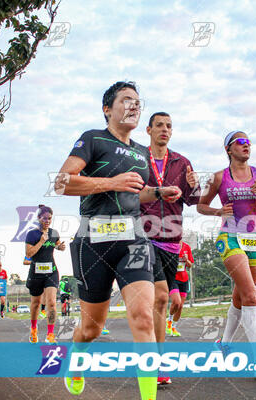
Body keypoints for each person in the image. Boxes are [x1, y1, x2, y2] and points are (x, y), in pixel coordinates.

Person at [57, 81, 181, 399]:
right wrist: (110, 182)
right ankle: (76, 361)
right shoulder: (93, 139)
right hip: (92, 242)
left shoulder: (142, 153)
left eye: (138, 102)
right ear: (107, 109)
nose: (134, 106)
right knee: (91, 328)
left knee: (142, 315)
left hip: (134, 241)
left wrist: (157, 192)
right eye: (126, 100)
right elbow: (62, 182)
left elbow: (135, 194)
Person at [197, 130, 256, 374]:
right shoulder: (218, 177)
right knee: (251, 297)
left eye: (248, 142)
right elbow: (201, 205)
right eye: (240, 142)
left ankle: (223, 344)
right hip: (230, 237)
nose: (246, 146)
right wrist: (218, 211)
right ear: (228, 149)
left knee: (240, 297)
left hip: (254, 240)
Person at [140, 111, 200, 385]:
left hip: (172, 241)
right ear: (149, 129)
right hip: (143, 236)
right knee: (162, 297)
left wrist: (194, 186)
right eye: (160, 125)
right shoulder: (138, 158)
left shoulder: (181, 161)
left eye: (169, 126)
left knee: (162, 301)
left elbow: (192, 200)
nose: (165, 129)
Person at [25, 205, 66, 344]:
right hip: (36, 272)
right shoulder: (32, 234)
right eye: (44, 218)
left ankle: (50, 334)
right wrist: (41, 241)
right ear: (38, 218)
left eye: (49, 218)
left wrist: (60, 247)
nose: (47, 221)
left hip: (51, 272)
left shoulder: (54, 233)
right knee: (36, 303)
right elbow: (28, 254)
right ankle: (33, 329)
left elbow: (57, 244)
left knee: (52, 303)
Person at [166, 240, 194, 337]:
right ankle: (169, 321)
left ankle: (174, 327)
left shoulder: (186, 247)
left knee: (180, 306)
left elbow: (190, 265)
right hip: (173, 278)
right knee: (176, 302)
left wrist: (186, 260)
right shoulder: (169, 246)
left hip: (184, 279)